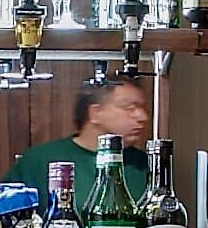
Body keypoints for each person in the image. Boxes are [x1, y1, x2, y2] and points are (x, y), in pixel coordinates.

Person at [8, 70, 152, 202]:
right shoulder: (39, 161)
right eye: (130, 108)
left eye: (142, 108)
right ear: (95, 113)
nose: (143, 117)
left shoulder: (145, 165)